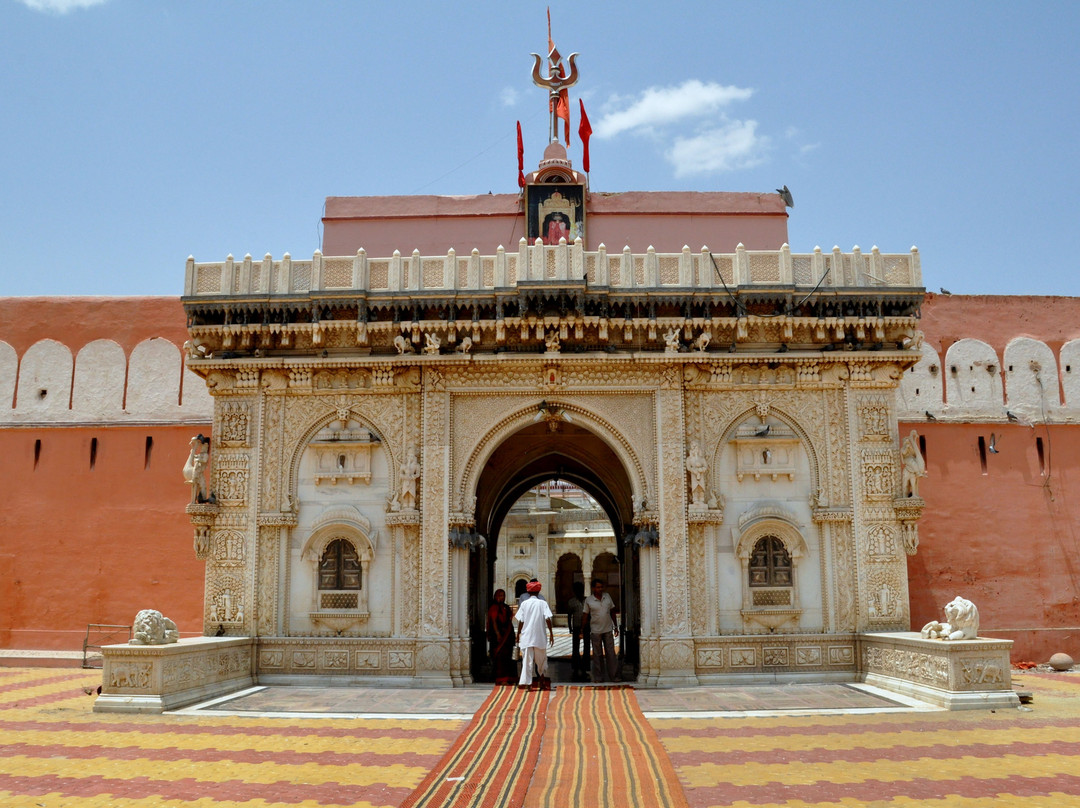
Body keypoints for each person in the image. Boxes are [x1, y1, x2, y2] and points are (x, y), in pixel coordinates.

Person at [515, 580, 554, 690]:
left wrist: (518, 634)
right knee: (541, 661)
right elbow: (548, 619)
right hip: (539, 636)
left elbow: (521, 621)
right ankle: (541, 681)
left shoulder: (524, 604)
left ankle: (528, 684)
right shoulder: (543, 603)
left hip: (527, 636)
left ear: (528, 591)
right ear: (538, 591)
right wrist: (551, 633)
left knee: (527, 661)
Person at [583, 578, 619, 683]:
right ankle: (598, 677)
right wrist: (582, 629)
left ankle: (614, 676)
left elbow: (612, 612)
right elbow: (585, 615)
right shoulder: (589, 600)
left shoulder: (607, 597)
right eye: (598, 587)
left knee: (611, 654)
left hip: (608, 629)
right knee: (597, 655)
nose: (600, 589)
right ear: (593, 588)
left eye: (601, 587)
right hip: (595, 631)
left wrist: (616, 626)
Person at [486, 589, 515, 685]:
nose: (501, 597)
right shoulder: (494, 607)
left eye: (503, 595)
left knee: (508, 657)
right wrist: (498, 634)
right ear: (495, 596)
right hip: (498, 636)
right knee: (500, 658)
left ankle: (509, 678)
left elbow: (509, 621)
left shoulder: (506, 607)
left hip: (507, 635)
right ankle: (500, 679)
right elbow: (494, 621)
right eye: (500, 595)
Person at [566, 581, 587, 681]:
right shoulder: (572, 602)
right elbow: (569, 615)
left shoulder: (587, 601)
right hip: (576, 627)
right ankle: (575, 667)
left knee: (586, 647)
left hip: (586, 627)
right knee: (575, 648)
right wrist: (570, 627)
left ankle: (585, 667)